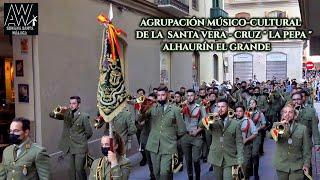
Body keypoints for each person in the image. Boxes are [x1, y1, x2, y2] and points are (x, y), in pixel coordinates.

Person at [139, 85, 187, 180]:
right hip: (154, 145)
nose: (160, 97)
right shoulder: (152, 108)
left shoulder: (175, 110)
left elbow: (182, 129)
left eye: (163, 95)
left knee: (164, 173)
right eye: (159, 95)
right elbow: (140, 119)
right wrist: (141, 110)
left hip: (169, 147)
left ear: (168, 95)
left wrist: (173, 138)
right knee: (156, 173)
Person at [49, 96, 93, 180]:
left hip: (80, 147)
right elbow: (51, 115)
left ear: (78, 105)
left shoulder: (84, 116)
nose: (71, 105)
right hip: (69, 147)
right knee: (71, 170)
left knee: (79, 169)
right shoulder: (66, 114)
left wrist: (81, 140)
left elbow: (89, 132)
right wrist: (60, 109)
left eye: (74, 103)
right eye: (70, 103)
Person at [199, 99, 244, 180]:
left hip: (230, 158)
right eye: (218, 107)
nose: (220, 109)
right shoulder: (212, 121)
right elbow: (201, 125)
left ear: (228, 108)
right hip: (216, 157)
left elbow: (239, 142)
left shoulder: (235, 123)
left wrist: (240, 159)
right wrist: (210, 117)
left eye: (223, 106)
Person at [270, 104, 310, 180]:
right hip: (282, 165)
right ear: (282, 114)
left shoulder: (303, 128)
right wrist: (280, 126)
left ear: (294, 115)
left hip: (297, 165)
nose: (287, 114)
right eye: (285, 112)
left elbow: (306, 149)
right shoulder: (276, 125)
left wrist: (306, 164)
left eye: (290, 112)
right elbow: (270, 136)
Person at [181, 89, 205, 180]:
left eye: (191, 95)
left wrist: (198, 131)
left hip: (197, 136)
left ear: (195, 97)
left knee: (196, 159)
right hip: (185, 136)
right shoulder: (183, 107)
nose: (189, 97)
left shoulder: (200, 107)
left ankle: (197, 177)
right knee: (188, 160)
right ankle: (190, 177)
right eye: (188, 96)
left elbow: (205, 122)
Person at [235, 105, 257, 180]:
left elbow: (255, 134)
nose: (238, 113)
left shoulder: (248, 121)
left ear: (244, 112)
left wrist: (247, 139)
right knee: (235, 170)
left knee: (244, 169)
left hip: (245, 148)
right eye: (237, 111)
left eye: (240, 111)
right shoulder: (233, 120)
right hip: (235, 148)